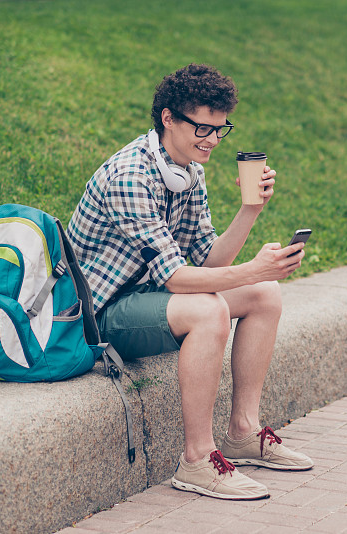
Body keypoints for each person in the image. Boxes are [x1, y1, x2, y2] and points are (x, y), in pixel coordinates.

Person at [66, 63, 313, 500]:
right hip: (102, 313)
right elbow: (179, 279)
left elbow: (207, 258)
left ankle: (242, 432)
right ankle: (197, 460)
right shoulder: (131, 176)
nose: (213, 140)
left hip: (151, 295)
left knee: (264, 294)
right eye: (203, 128)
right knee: (210, 308)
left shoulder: (189, 172)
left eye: (221, 129)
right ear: (167, 118)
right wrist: (255, 267)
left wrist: (250, 209)